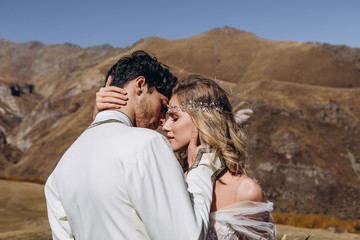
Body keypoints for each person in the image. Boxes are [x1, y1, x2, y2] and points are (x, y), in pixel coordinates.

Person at [45, 51, 222, 240]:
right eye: (163, 106)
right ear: (140, 85)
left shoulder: (59, 171)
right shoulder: (147, 144)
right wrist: (201, 169)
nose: (163, 120)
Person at [96, 74, 277, 239]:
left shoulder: (245, 191)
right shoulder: (168, 178)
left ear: (203, 120)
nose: (165, 126)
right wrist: (99, 115)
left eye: (174, 118)